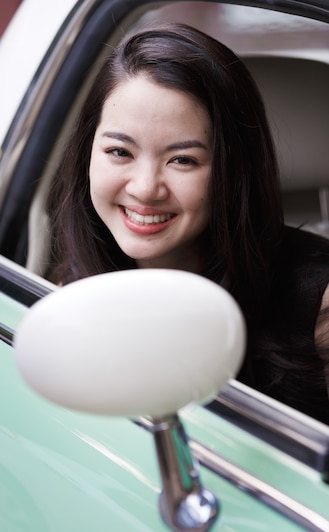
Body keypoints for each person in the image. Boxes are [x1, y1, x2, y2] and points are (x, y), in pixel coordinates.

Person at [47, 23, 329, 423]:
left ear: (234, 172)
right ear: (87, 156)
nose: (145, 189)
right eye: (119, 151)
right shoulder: (77, 287)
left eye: (183, 159)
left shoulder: (320, 305)